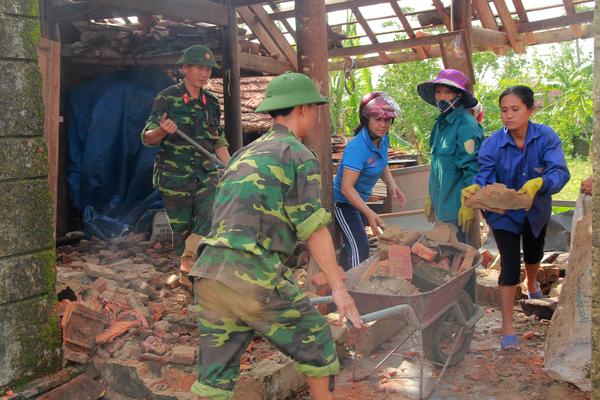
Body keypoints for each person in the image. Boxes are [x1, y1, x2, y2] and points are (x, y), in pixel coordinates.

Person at [188, 72, 362, 400]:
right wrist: (339, 289)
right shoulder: (296, 154)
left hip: (209, 273)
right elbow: (313, 227)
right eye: (314, 109)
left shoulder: (243, 154)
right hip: (250, 273)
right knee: (319, 341)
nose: (314, 116)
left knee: (214, 379)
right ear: (303, 108)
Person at [464, 85, 570, 350]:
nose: (508, 115)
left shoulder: (545, 137)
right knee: (510, 263)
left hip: (536, 210)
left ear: (530, 110)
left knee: (534, 252)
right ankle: (508, 325)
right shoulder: (492, 144)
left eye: (515, 109)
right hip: (503, 214)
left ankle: (531, 281)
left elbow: (560, 171)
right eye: (503, 110)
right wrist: (477, 189)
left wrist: (540, 183)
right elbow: (484, 174)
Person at [141, 45, 231, 277]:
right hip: (175, 175)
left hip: (206, 172)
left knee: (210, 220)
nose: (204, 74)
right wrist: (162, 131)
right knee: (181, 229)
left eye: (208, 69)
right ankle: (187, 273)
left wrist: (231, 167)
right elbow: (147, 137)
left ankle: (197, 268)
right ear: (185, 68)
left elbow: (218, 138)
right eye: (199, 68)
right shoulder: (166, 98)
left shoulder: (211, 102)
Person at [332, 92, 407, 270]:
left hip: (359, 202)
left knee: (352, 244)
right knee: (361, 247)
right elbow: (346, 188)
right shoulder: (357, 148)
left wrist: (391, 184)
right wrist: (369, 213)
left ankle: (343, 281)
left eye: (387, 120)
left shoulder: (382, 139)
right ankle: (356, 290)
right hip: (343, 203)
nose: (383, 125)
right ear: (367, 120)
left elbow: (382, 162)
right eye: (377, 119)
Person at [417, 69, 484, 244]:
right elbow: (437, 165)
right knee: (444, 261)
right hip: (441, 207)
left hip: (457, 211)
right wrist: (431, 196)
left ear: (459, 96)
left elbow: (473, 170)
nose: (441, 97)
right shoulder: (440, 125)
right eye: (438, 92)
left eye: (447, 92)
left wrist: (468, 205)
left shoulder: (466, 125)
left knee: (460, 259)